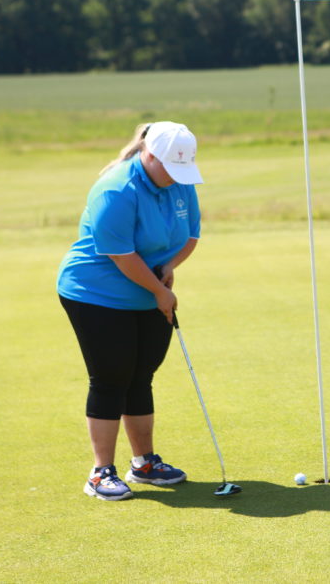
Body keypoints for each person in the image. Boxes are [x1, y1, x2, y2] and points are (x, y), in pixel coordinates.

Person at [57, 121, 204, 499]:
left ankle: (144, 463)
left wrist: (169, 268)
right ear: (149, 154)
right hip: (96, 293)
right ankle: (100, 472)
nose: (176, 177)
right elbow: (122, 256)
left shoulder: (181, 181)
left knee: (141, 375)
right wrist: (159, 291)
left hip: (148, 290)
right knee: (111, 378)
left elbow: (191, 235)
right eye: (170, 168)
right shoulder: (116, 189)